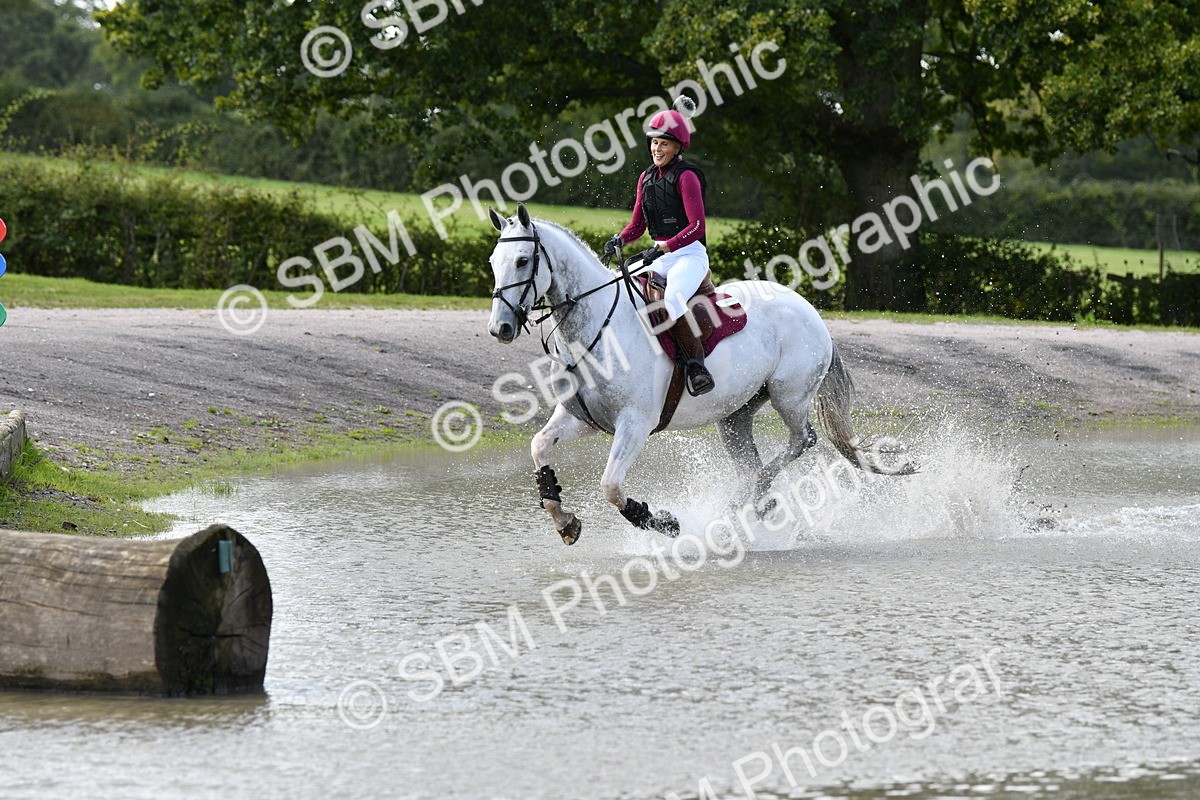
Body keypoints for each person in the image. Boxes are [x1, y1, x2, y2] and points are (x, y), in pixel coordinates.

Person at [603, 95, 714, 396]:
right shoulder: (646, 178)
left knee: (674, 298)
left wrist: (664, 248)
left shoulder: (687, 176)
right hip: (661, 255)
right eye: (654, 142)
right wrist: (620, 239)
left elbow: (697, 227)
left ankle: (695, 365)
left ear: (678, 147)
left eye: (664, 143)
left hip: (688, 256)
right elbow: (637, 226)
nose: (657, 148)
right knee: (621, 289)